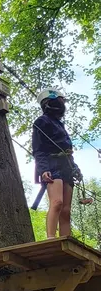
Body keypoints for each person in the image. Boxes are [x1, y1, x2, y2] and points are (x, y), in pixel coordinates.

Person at [32, 88, 82, 239]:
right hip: (52, 164)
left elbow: (67, 150)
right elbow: (38, 149)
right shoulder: (41, 122)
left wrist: (75, 168)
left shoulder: (60, 125)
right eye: (60, 102)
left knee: (66, 210)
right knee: (57, 202)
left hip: (66, 166)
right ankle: (51, 238)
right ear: (50, 103)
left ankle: (66, 240)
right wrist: (43, 169)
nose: (62, 106)